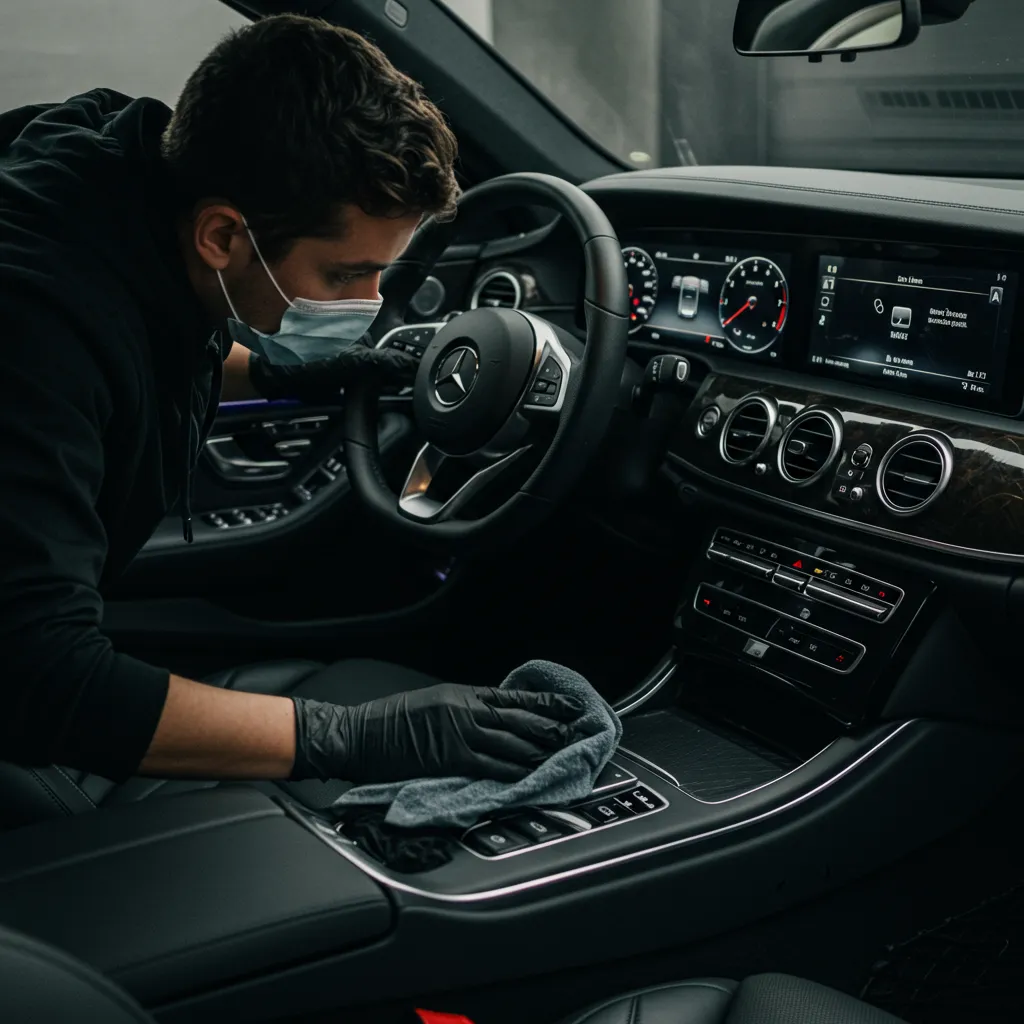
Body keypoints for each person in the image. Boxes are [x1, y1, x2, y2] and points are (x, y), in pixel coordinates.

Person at [0, 14, 581, 797]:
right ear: (221, 235)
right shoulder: (32, 326)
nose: (374, 306)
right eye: (346, 276)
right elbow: (39, 680)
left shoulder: (118, 173)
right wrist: (350, 733)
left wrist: (300, 373)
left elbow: (149, 347)